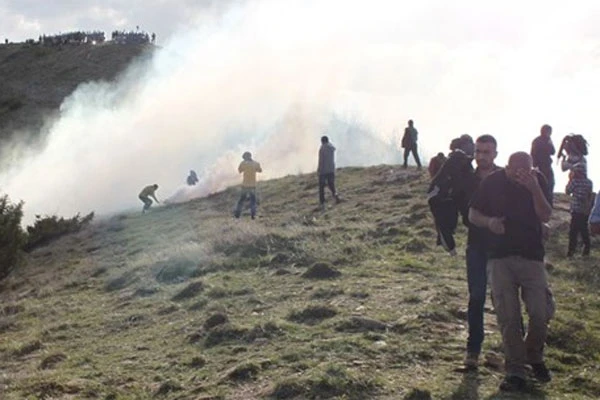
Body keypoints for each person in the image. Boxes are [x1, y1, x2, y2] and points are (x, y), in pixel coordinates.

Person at [469, 152, 554, 392]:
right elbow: (473, 214)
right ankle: (515, 369)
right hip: (499, 258)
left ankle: (534, 356)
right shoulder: (492, 182)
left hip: (532, 258)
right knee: (508, 317)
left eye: (526, 170)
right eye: (516, 170)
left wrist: (534, 188)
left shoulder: (538, 181)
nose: (521, 175)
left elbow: (546, 215)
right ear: (507, 168)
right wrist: (490, 223)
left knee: (540, 313)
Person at [463, 134, 501, 369]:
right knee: (476, 297)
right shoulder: (466, 178)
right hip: (475, 244)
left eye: (486, 152)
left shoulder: (503, 178)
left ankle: (517, 353)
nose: (481, 156)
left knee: (504, 300)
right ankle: (473, 351)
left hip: (502, 247)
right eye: (478, 151)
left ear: (495, 154)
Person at [427, 136, 476, 255]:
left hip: (446, 195)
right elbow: (459, 180)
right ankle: (451, 250)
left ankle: (450, 249)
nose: (473, 147)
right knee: (446, 224)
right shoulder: (458, 157)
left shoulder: (459, 159)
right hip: (442, 196)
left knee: (452, 222)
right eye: (471, 144)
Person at [565, 164, 593, 257]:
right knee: (583, 229)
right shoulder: (589, 182)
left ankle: (571, 251)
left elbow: (568, 191)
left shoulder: (575, 182)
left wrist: (570, 180)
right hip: (585, 210)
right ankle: (586, 248)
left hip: (576, 209)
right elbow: (589, 194)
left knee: (573, 231)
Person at [531, 124, 555, 205]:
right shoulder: (539, 141)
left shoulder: (541, 140)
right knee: (545, 184)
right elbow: (533, 154)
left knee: (549, 184)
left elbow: (553, 152)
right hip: (541, 166)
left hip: (545, 165)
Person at [234, 151, 262, 219]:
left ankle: (237, 215)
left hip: (245, 185)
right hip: (253, 185)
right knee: (253, 201)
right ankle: (253, 215)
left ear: (245, 157)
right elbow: (260, 170)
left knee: (241, 200)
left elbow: (240, 171)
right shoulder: (256, 163)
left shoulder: (243, 163)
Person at [317, 136, 341, 211]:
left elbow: (321, 161)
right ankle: (336, 195)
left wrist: (319, 170)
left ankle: (322, 202)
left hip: (324, 170)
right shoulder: (331, 148)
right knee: (331, 184)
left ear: (322, 141)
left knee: (321, 187)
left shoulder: (322, 149)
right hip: (331, 169)